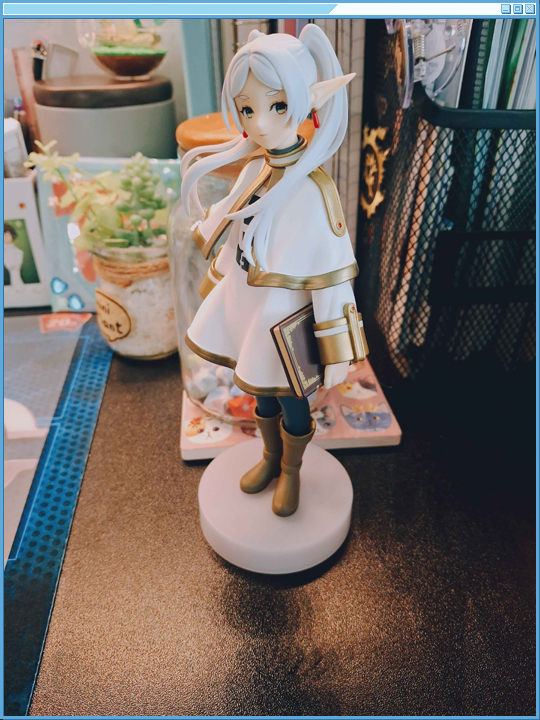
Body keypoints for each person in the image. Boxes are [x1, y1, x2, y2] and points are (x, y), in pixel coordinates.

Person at [181, 26, 365, 516]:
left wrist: (338, 350)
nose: (260, 122)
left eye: (277, 106)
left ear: (306, 102)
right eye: (247, 109)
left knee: (290, 400)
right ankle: (269, 457)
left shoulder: (315, 189)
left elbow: (331, 274)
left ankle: (291, 470)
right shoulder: (253, 170)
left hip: (284, 317)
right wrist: (218, 283)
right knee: (258, 393)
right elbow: (233, 235)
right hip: (248, 306)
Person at [4, 222, 24, 288]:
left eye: (7, 234)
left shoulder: (19, 252)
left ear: (12, 234)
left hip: (19, 285)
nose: (5, 237)